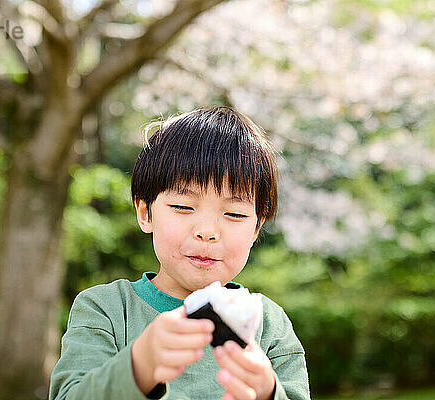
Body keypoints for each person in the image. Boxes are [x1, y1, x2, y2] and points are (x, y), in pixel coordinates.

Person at [49, 106, 310, 400]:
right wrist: (139, 365)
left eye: (234, 214)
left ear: (255, 230)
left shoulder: (269, 324)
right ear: (145, 213)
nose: (207, 231)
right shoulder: (107, 309)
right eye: (183, 207)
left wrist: (268, 392)